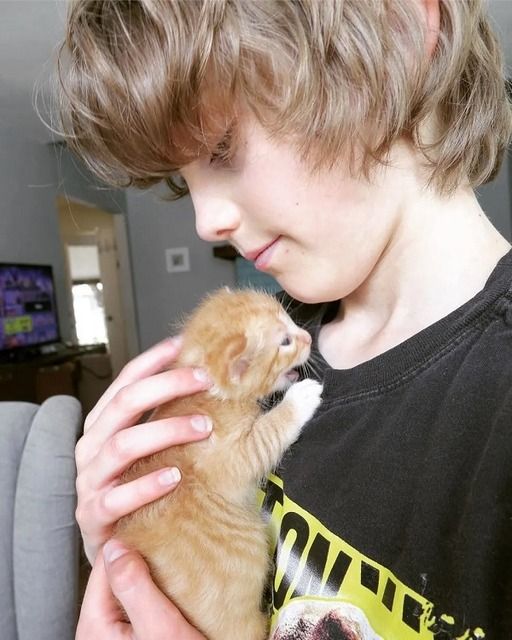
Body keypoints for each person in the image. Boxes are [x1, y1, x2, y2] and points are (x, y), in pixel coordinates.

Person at [58, 0, 512, 638]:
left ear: (399, 30)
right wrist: (127, 549)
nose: (205, 221)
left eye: (222, 146)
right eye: (183, 181)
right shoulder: (271, 343)